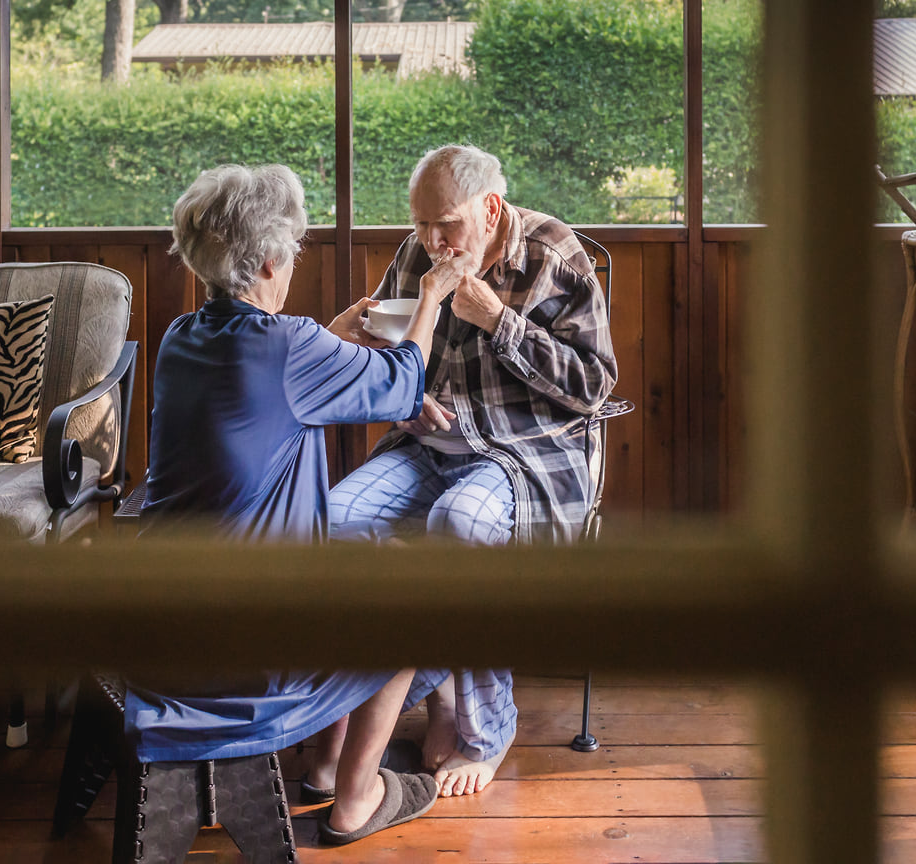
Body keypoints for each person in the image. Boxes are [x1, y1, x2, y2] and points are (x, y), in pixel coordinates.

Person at [125, 163, 458, 846]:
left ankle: (329, 767)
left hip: (158, 616)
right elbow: (403, 381)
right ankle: (358, 796)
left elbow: (282, 374)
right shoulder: (289, 348)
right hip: (248, 645)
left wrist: (332, 333)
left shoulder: (182, 338)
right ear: (273, 257)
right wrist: (433, 295)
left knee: (359, 556)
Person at [329, 145, 619, 797]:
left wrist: (498, 321)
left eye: (446, 225)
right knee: (335, 521)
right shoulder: (416, 254)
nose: (432, 240)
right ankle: (437, 692)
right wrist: (407, 399)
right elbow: (395, 358)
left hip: (531, 452)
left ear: (490, 208)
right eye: (420, 223)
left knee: (458, 525)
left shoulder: (553, 253)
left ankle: (486, 730)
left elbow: (595, 386)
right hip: (430, 446)